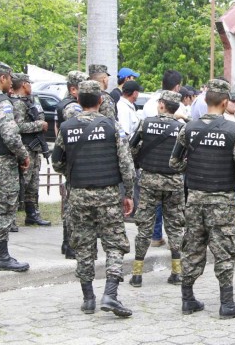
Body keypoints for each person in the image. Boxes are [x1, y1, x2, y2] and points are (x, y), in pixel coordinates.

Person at [170, 79, 235, 318]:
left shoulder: (189, 128)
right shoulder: (233, 130)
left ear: (206, 101)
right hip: (222, 200)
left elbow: (174, 162)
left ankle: (188, 300)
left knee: (193, 247)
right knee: (225, 251)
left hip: (195, 198)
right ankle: (227, 303)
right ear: (225, 102)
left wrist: (193, 165)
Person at [52, 80, 135, 317]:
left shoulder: (67, 127)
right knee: (115, 244)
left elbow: (57, 162)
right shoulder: (112, 126)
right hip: (108, 195)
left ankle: (88, 298)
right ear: (100, 101)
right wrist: (128, 194)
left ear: (78, 101)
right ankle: (110, 294)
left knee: (83, 246)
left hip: (78, 196)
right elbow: (126, 165)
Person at [129, 91, 185, 288]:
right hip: (174, 183)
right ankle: (177, 272)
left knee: (144, 227)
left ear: (161, 104)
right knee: (175, 227)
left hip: (149, 182)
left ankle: (137, 274)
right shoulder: (182, 128)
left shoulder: (146, 124)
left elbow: (132, 148)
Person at [0, 61, 30, 272]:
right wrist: (23, 155)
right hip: (0, 162)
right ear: (2, 78)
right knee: (3, 206)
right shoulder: (2, 103)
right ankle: (1, 255)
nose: (11, 83)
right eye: (10, 78)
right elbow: (10, 136)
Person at [142, 70, 184, 246]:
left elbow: (137, 142)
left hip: (150, 166)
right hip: (172, 171)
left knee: (152, 208)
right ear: (177, 87)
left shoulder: (148, 104)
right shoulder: (179, 113)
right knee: (173, 212)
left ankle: (155, 236)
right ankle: (173, 246)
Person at [10, 73, 51, 226]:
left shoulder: (30, 101)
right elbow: (17, 126)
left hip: (34, 148)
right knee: (22, 182)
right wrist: (39, 125)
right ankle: (11, 218)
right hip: (25, 147)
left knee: (33, 183)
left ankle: (32, 213)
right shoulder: (18, 104)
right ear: (24, 84)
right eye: (29, 83)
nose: (31, 86)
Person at [55, 71, 87, 260]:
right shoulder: (73, 108)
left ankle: (68, 242)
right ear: (74, 89)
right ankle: (70, 244)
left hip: (69, 158)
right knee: (73, 206)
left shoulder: (63, 103)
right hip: (75, 160)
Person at [55, 71, 87, 135]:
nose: (88, 90)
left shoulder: (64, 102)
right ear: (73, 90)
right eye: (84, 88)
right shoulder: (74, 107)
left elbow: (56, 127)